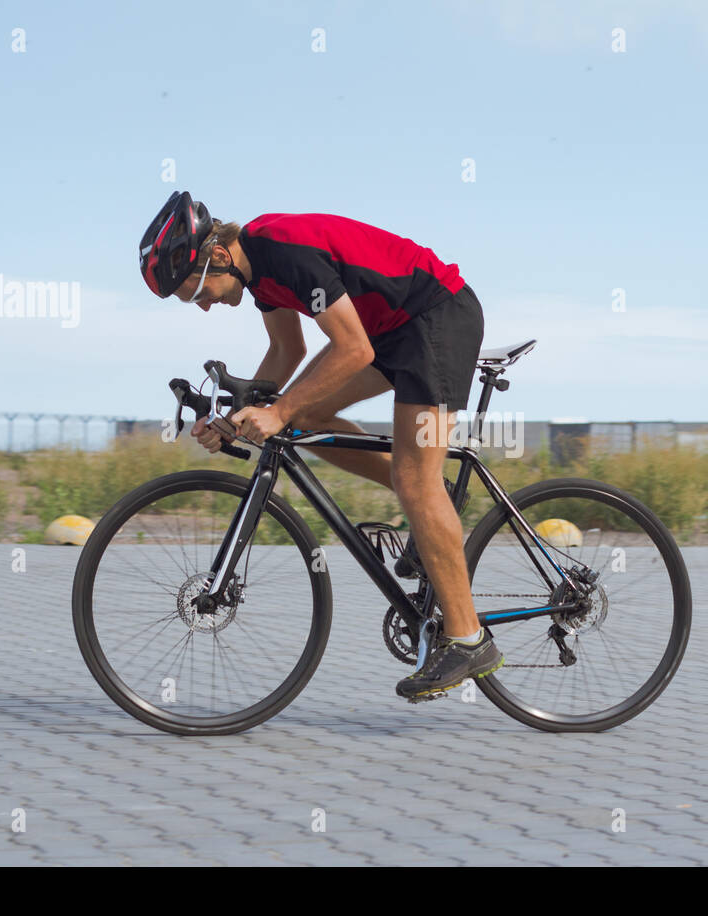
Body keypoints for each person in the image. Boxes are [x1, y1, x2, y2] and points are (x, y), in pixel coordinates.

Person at [138, 191, 503, 700]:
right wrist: (232, 421)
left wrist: (278, 410)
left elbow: (352, 349)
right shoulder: (259, 274)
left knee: (409, 478)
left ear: (217, 255)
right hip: (392, 330)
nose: (203, 306)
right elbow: (288, 350)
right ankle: (433, 500)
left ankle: (468, 640)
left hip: (435, 316)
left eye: (198, 292)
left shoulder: (283, 251)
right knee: (305, 415)